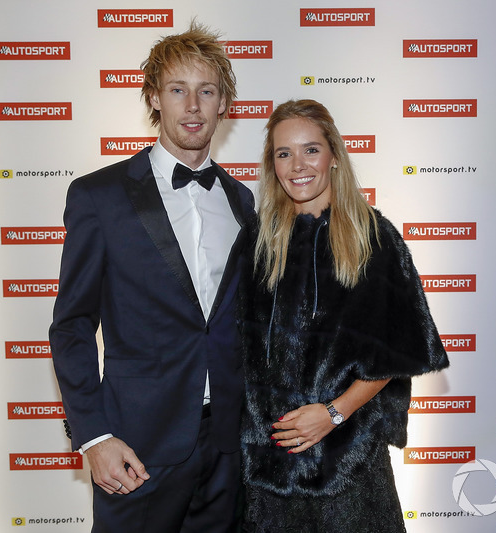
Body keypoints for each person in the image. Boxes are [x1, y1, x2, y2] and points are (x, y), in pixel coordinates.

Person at [49, 22, 255, 533]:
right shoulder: (100, 196)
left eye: (206, 92)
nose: (192, 106)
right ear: (153, 99)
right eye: (177, 90)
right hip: (136, 447)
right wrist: (94, 437)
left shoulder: (241, 200)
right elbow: (71, 326)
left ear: (223, 104)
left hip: (227, 445)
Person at [238, 99, 449, 532]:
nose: (298, 165)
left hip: (350, 467)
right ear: (272, 164)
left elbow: (398, 351)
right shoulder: (257, 242)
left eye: (310, 149)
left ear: (333, 155)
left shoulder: (374, 237)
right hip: (269, 471)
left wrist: (332, 413)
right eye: (283, 153)